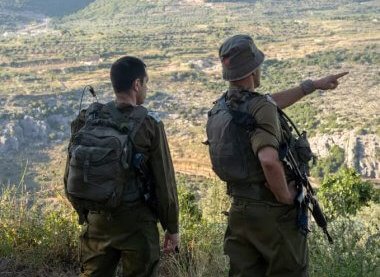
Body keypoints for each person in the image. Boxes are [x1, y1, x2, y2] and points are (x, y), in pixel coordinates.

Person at [206, 35, 347, 277]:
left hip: (240, 212)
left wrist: (311, 85)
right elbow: (269, 160)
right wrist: (285, 196)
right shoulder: (258, 107)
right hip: (272, 214)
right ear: (253, 69)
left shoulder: (220, 108)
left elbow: (269, 104)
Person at [63, 56, 179, 277]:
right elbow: (165, 184)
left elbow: (69, 174)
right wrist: (171, 228)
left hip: (97, 220)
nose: (147, 88)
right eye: (146, 82)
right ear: (137, 84)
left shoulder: (87, 119)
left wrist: (85, 213)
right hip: (136, 225)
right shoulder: (149, 125)